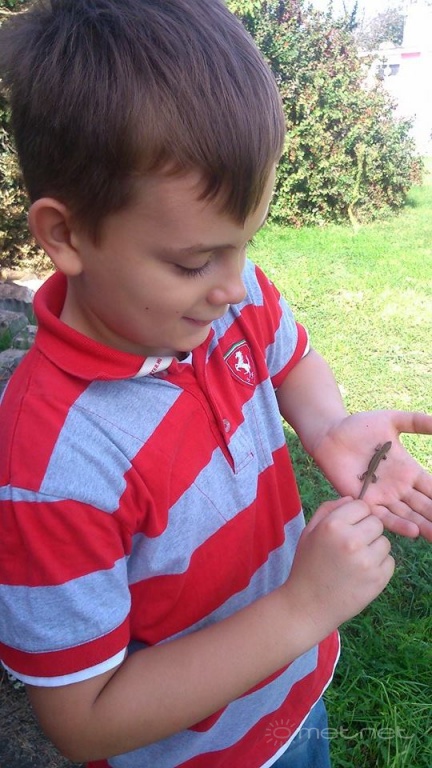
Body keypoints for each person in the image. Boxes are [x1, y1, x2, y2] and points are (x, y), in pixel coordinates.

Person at [0, 2, 431, 767]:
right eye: (195, 261)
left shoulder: (224, 304)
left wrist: (326, 425)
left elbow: (289, 358)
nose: (235, 286)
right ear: (65, 235)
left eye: (246, 245)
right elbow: (84, 718)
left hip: (293, 698)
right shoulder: (48, 461)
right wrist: (300, 609)